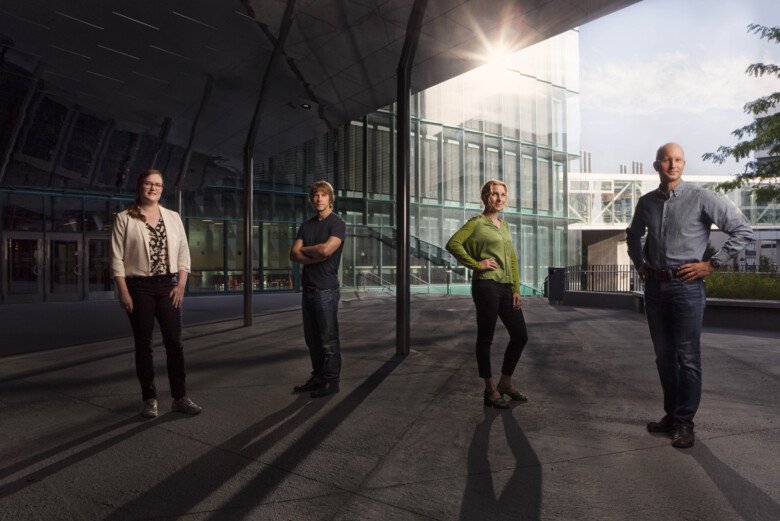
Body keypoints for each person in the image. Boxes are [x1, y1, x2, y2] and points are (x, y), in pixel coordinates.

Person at [626, 143, 753, 448]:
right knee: (664, 358)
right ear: (657, 165)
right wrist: (640, 264)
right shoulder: (646, 203)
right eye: (667, 160)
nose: (673, 164)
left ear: (683, 164)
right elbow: (633, 234)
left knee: (688, 358)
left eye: (678, 159)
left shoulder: (701, 197)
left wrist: (711, 264)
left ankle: (685, 422)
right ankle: (671, 415)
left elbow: (742, 231)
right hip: (655, 288)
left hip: (687, 288)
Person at [111, 169, 202, 419]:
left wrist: (181, 285)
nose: (153, 188)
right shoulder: (124, 218)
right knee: (144, 345)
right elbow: (117, 259)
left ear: (163, 189)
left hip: (168, 286)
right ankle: (149, 399)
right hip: (138, 288)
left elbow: (184, 252)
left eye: (158, 185)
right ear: (140, 186)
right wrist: (124, 292)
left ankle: (180, 397)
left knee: (175, 343)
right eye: (149, 184)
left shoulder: (172, 217)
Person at [446, 179, 529, 409]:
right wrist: (477, 264)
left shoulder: (505, 225)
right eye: (494, 194)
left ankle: (506, 382)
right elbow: (453, 244)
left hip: (505, 287)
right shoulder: (476, 223)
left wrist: (516, 288)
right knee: (486, 338)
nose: (499, 198)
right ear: (485, 197)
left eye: (503, 194)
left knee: (520, 335)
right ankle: (490, 389)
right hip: (486, 286)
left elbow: (511, 258)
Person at [289, 180, 346, 398]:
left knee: (328, 338)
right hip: (309, 290)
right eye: (315, 195)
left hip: (326, 291)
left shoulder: (337, 224)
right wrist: (317, 254)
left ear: (330, 198)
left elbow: (326, 250)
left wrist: (308, 252)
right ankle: (318, 376)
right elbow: (293, 254)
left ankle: (332, 380)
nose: (319, 198)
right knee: (312, 340)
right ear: (312, 199)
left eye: (323, 195)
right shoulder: (306, 225)